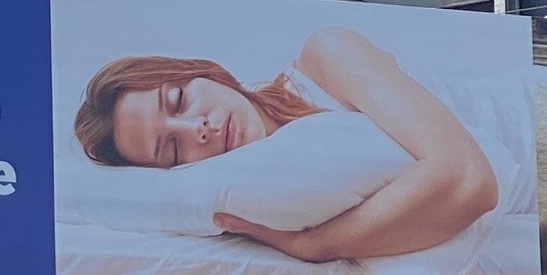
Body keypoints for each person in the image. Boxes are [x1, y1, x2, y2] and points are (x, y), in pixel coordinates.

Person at [71, 25, 506, 262]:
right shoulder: (273, 196)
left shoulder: (327, 55)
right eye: (173, 150)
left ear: (202, 71)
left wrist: (316, 245)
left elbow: (470, 181)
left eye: (179, 100)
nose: (196, 130)